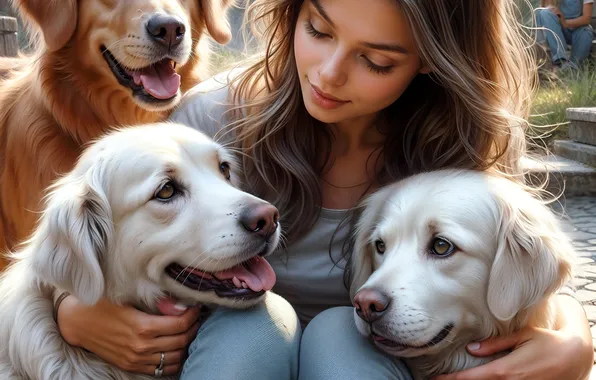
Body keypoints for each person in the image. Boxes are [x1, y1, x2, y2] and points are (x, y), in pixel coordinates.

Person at [55, 0, 595, 379]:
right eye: (318, 29)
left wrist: (575, 340)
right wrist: (72, 309)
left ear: (432, 60)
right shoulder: (211, 121)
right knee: (261, 324)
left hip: (372, 364)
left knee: (341, 334)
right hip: (224, 356)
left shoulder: (467, 143)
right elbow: (95, 229)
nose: (329, 74)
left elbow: (528, 261)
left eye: (375, 60)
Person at [535, 0, 595, 68]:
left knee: (586, 32)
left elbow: (586, 19)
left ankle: (573, 68)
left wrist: (565, 23)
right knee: (544, 13)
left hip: (578, 30)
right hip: (558, 30)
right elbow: (545, 9)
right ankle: (560, 60)